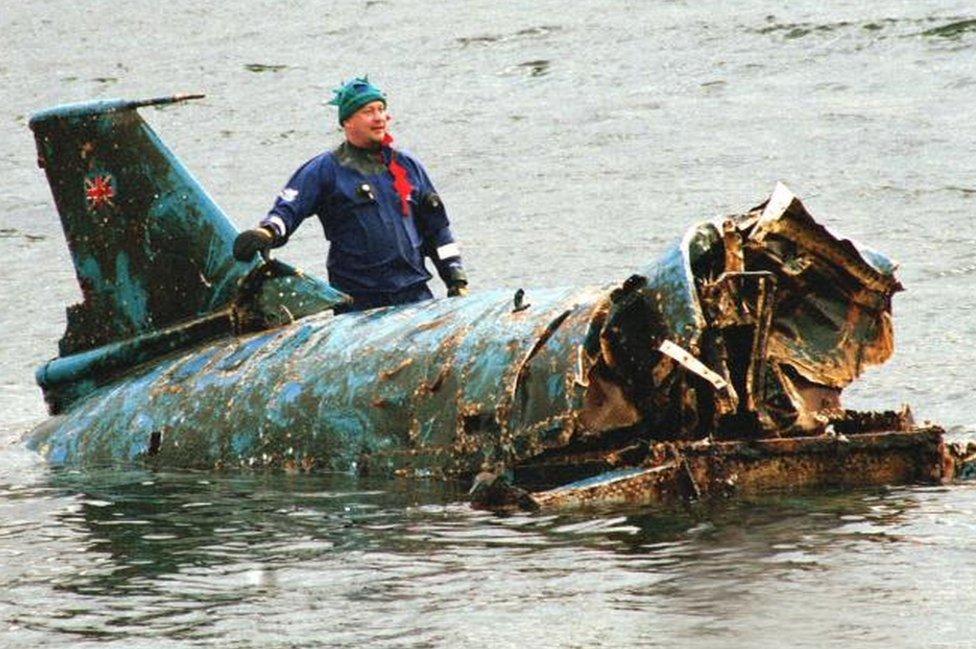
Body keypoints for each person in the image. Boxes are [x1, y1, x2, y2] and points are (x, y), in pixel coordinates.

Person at [233, 76, 468, 313]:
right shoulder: (325, 169)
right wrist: (266, 233)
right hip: (359, 306)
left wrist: (456, 278)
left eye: (381, 109)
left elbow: (437, 229)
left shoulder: (407, 166)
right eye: (368, 111)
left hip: (415, 296)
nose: (379, 118)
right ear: (347, 121)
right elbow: (288, 210)